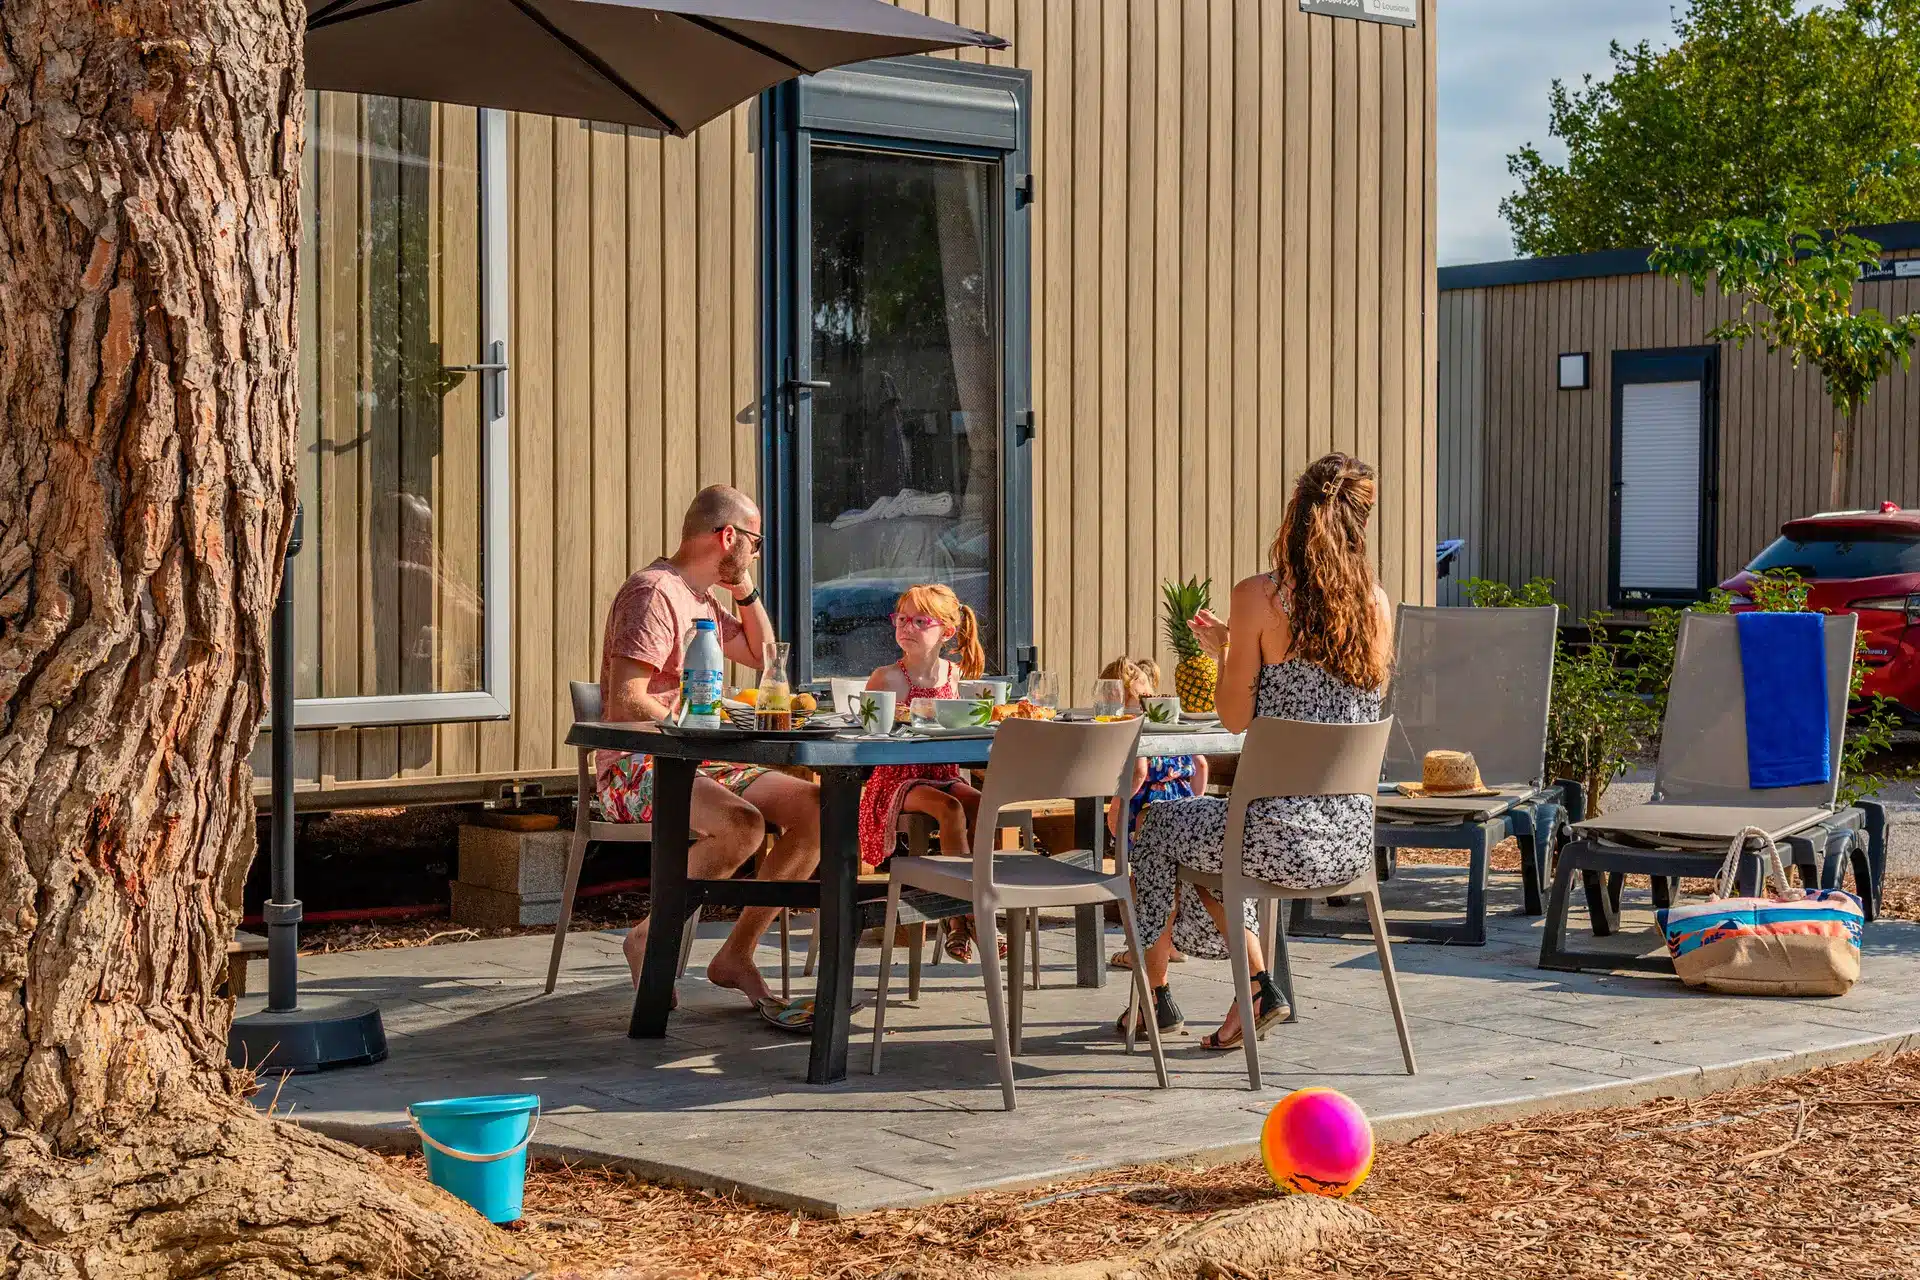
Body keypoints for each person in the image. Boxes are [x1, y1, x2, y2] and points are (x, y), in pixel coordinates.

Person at [1118, 454, 1394, 1050]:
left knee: (1165, 823)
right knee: (1205, 832)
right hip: (1347, 841)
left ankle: (1163, 997)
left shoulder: (1259, 597)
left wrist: (1226, 650)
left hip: (1274, 836)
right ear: (1361, 525)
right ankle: (1248, 988)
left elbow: (1235, 717)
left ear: (1294, 516)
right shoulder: (1377, 605)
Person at [598, 485, 822, 1016]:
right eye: (756, 542)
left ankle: (736, 956)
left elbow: (761, 654)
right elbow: (628, 700)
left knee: (819, 811)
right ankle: (650, 937)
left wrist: (744, 589)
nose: (756, 552)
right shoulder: (653, 593)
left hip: (701, 757)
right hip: (637, 764)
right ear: (729, 536)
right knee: (743, 826)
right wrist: (697, 730)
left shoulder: (700, 597)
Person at [854, 583, 997, 962]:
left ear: (947, 632)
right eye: (901, 619)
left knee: (981, 804)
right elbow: (869, 738)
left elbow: (967, 727)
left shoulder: (956, 676)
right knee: (950, 809)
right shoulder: (886, 678)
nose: (907, 627)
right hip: (897, 779)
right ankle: (963, 916)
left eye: (920, 621)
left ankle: (969, 906)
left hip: (943, 772)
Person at [1099, 656, 1207, 978]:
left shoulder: (1135, 729)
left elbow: (1139, 771)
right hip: (1182, 806)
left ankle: (1140, 950)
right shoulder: (1170, 725)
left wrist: (1117, 808)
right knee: (1171, 882)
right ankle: (1171, 946)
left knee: (1141, 884)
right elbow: (1200, 765)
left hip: (1146, 812)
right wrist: (1193, 800)